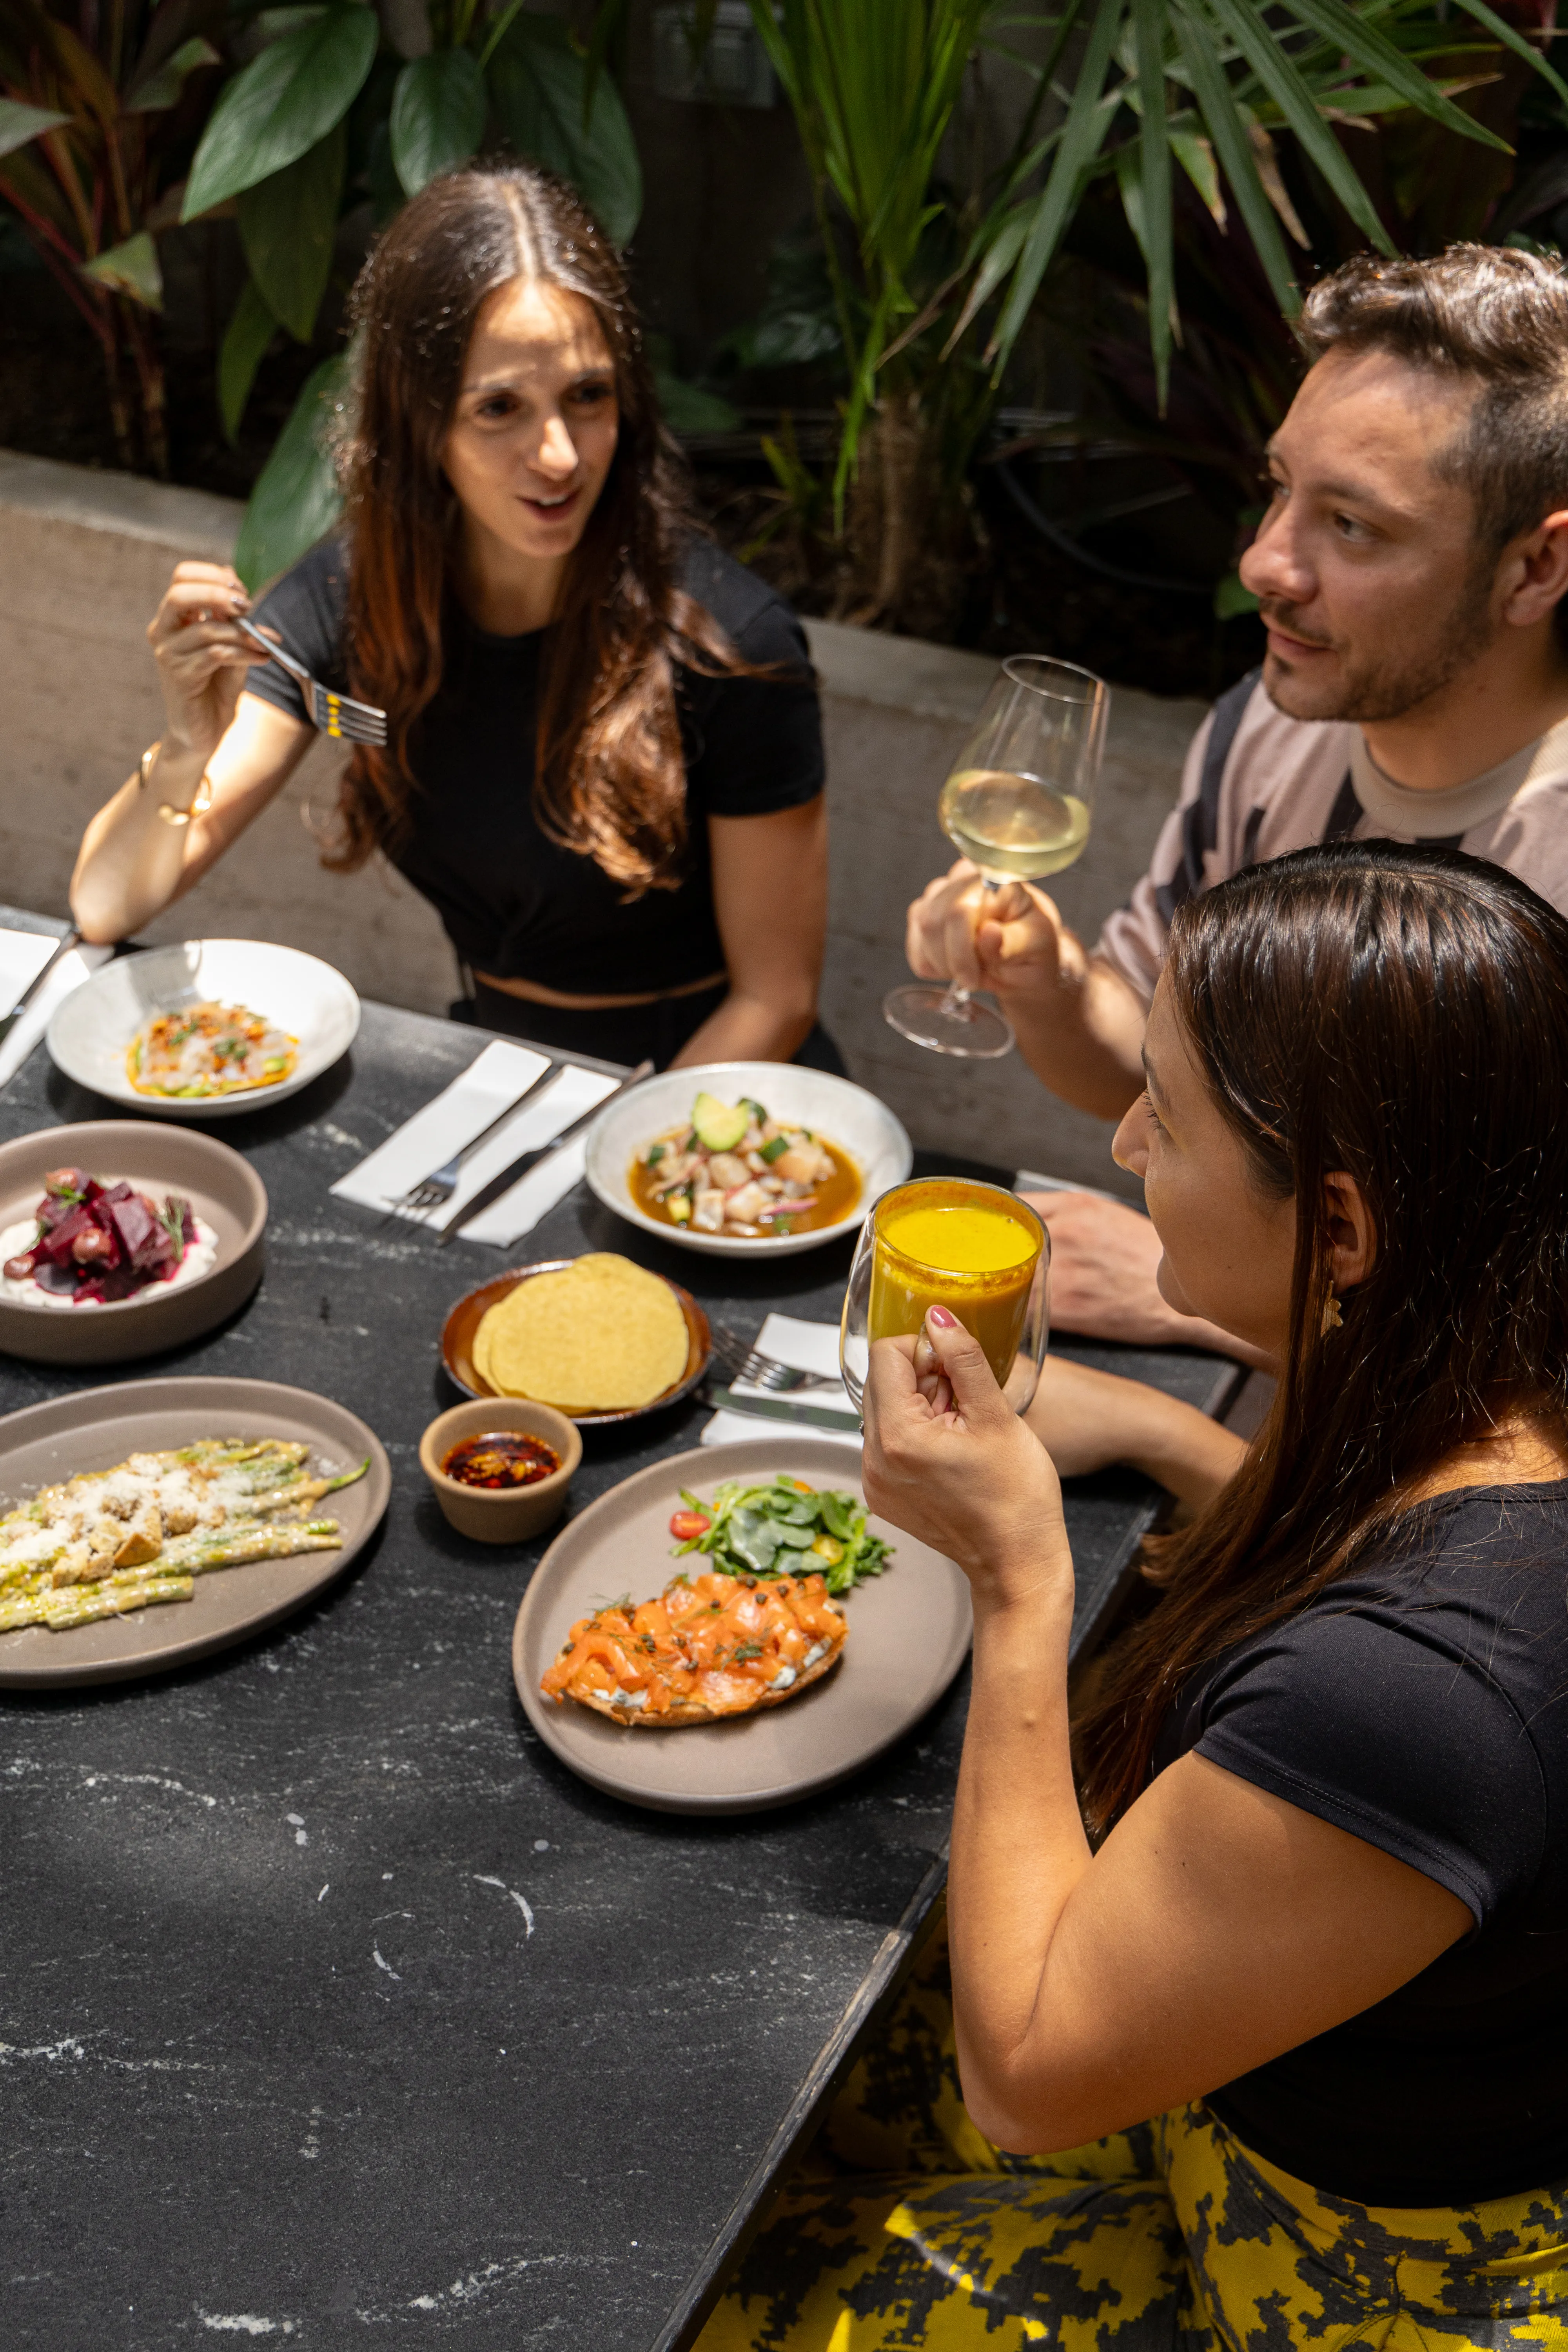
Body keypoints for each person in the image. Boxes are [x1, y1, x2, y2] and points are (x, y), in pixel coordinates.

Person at [700, 841, 1568, 2350]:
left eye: (1163, 1112)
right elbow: (1363, 1576)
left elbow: (1028, 2075)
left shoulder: (1422, 1693)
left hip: (1352, 2272)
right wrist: (1169, 1434)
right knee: (765, 2078)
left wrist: (1018, 1576)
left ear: (1342, 1230)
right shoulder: (1488, 1367)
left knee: (729, 2288)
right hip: (1242, 2078)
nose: (1122, 1145)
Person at [906, 243, 1568, 1361]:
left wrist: (1194, 1300)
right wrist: (1050, 984)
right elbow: (1139, 1077)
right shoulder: (1265, 731)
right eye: (1278, 490)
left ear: (1535, 570)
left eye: (1352, 526)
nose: (1265, 562)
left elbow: (1534, 1359)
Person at [69, 167, 836, 1074]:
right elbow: (106, 906)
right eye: (500, 408)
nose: (559, 455)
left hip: (701, 1094)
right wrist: (186, 746)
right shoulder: (354, 597)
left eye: (587, 396)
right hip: (498, 1071)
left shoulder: (734, 648)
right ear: (420, 422)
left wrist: (605, 1143)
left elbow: (774, 1001)